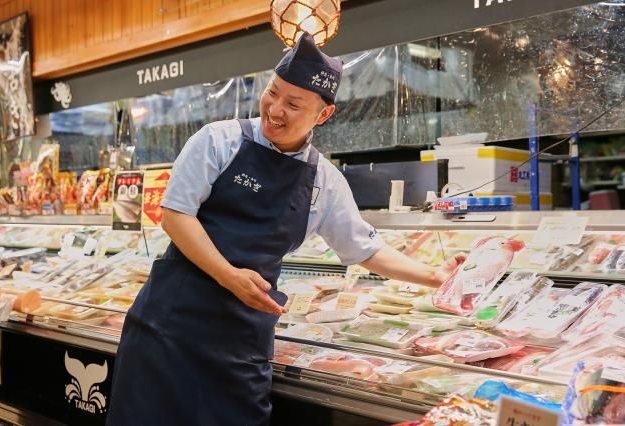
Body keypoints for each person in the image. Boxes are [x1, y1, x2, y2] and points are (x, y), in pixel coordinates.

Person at [106, 33, 462, 425]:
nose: (275, 109)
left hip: (241, 346)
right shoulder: (218, 141)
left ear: (323, 115)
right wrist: (229, 276)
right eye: (273, 93)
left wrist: (436, 275)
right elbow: (176, 215)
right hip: (167, 332)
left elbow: (366, 249)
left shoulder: (324, 181)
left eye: (293, 104)